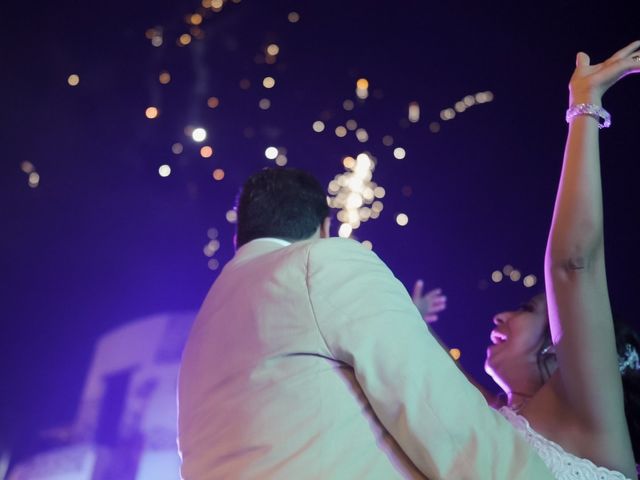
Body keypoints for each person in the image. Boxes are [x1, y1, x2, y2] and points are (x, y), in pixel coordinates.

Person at [177, 167, 553, 479]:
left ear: (238, 236)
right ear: (324, 228)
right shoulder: (318, 262)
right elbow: (435, 411)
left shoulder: (203, 328)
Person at [415, 42, 640, 479]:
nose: (499, 316)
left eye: (525, 310)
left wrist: (585, 108)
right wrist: (416, 321)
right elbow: (443, 376)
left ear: (561, 347)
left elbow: (574, 266)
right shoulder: (497, 424)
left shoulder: (588, 423)